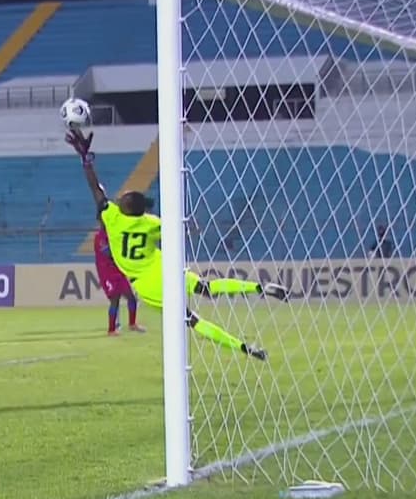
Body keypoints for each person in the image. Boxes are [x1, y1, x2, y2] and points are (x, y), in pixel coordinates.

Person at [66, 130, 287, 360]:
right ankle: (259, 288)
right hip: (162, 266)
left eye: (122, 198)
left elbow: (96, 189)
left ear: (125, 207)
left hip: (146, 282)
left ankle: (243, 347)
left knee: (190, 319)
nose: (118, 198)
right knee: (206, 287)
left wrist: (85, 158)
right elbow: (179, 230)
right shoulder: (151, 223)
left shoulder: (112, 217)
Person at [94, 221, 144, 336]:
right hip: (107, 273)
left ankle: (132, 324)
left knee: (131, 298)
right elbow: (108, 253)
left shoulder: (114, 234)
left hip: (118, 272)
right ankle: (111, 330)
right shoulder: (99, 237)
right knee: (115, 300)